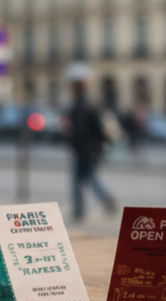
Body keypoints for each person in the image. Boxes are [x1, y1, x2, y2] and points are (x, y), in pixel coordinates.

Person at [63, 65, 118, 222]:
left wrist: (72, 138)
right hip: (94, 148)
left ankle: (80, 210)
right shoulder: (92, 102)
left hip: (86, 148)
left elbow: (80, 129)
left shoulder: (81, 104)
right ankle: (104, 200)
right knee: (88, 177)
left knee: (80, 179)